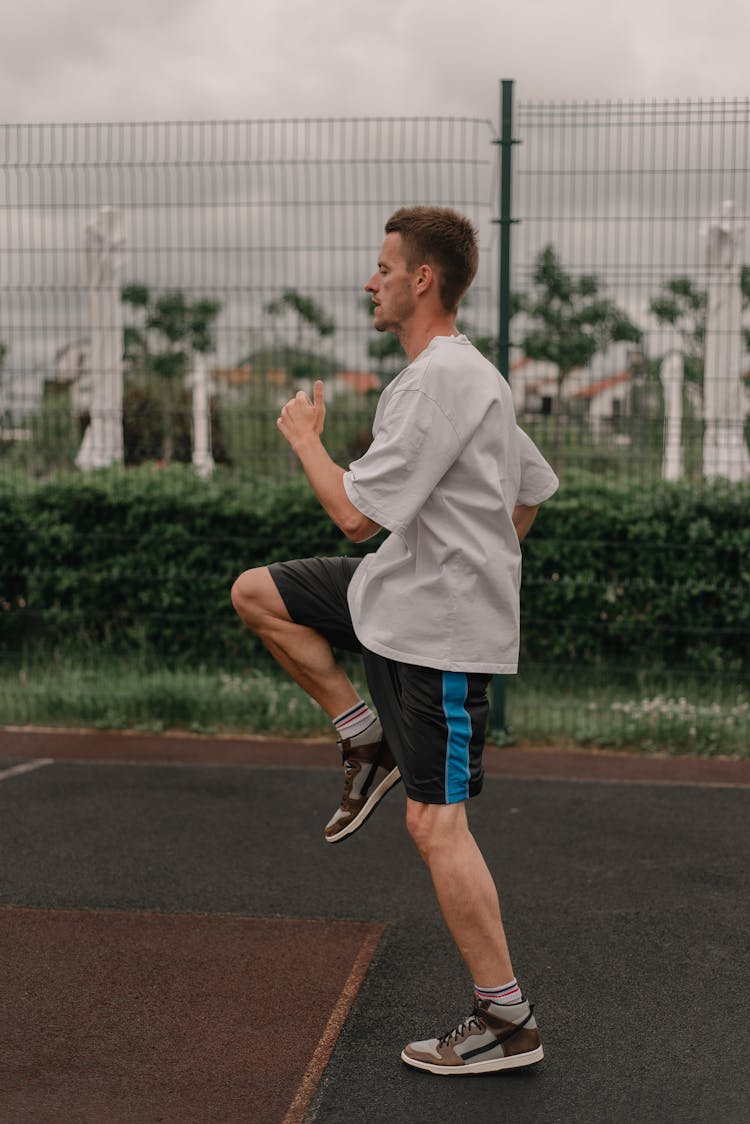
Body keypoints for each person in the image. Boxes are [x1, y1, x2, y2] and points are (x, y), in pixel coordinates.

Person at [231, 206, 558, 1075]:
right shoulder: (464, 376)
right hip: (397, 594)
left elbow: (350, 513)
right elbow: (532, 487)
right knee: (258, 595)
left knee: (435, 826)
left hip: (440, 637)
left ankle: (508, 1021)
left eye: (383, 268)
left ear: (423, 280)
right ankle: (361, 736)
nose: (369, 282)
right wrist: (480, 555)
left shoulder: (437, 379)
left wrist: (304, 438)